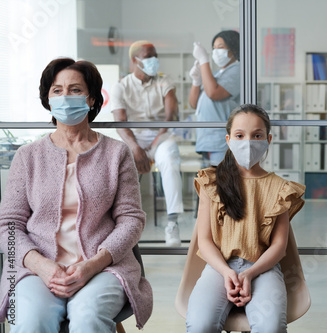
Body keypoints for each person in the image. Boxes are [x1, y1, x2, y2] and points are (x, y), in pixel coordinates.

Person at [0, 58, 152, 332]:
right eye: (57, 90)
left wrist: (92, 265)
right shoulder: (28, 156)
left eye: (75, 89)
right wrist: (41, 265)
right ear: (47, 98)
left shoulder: (116, 153)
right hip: (37, 267)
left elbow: (131, 219)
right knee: (33, 321)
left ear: (92, 99)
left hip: (102, 267)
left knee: (88, 317)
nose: (65, 97)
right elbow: (8, 226)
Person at [185, 104, 305, 332]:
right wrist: (227, 272)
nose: (248, 142)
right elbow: (205, 240)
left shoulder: (281, 188)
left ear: (268, 139)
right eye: (240, 135)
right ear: (228, 139)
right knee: (200, 325)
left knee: (271, 327)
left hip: (264, 268)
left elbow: (279, 246)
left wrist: (250, 273)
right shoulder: (211, 181)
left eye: (257, 135)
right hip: (219, 267)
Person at [111, 40, 184, 247]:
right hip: (132, 138)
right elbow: (120, 123)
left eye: (155, 56)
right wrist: (135, 148)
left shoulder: (164, 81)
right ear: (135, 60)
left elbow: (171, 116)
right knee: (118, 167)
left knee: (169, 159)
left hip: (160, 137)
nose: (154, 61)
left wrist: (153, 146)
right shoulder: (121, 86)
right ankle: (120, 225)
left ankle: (172, 223)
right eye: (148, 57)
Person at [189, 30, 240, 167]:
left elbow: (213, 93)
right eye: (214, 48)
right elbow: (193, 103)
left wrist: (204, 60)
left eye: (220, 47)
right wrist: (196, 81)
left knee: (220, 185)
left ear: (233, 49)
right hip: (206, 141)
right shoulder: (217, 75)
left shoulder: (238, 70)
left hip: (221, 142)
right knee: (208, 185)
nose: (216, 51)